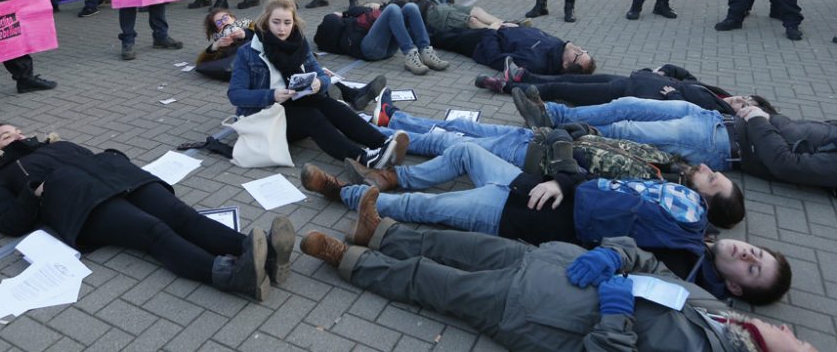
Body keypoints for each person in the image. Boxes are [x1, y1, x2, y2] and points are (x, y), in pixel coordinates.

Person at [302, 151, 787, 304]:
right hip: (545, 187)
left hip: (527, 218)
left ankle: (341, 193)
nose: (748, 256)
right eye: (757, 254)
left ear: (734, 289)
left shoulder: (680, 271)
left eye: (751, 270)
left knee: (429, 209)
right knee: (465, 153)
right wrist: (563, 180)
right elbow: (615, 184)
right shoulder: (695, 216)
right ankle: (387, 176)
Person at [300, 221, 815, 352]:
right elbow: (652, 268)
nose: (794, 331)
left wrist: (616, 317)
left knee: (427, 281)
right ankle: (381, 231)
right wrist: (613, 253)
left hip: (532, 311)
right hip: (555, 264)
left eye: (802, 344)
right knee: (456, 244)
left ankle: (346, 259)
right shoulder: (724, 319)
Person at [0, 123, 294, 301]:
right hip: (83, 203)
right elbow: (6, 222)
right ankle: (231, 275)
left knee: (184, 216)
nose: (19, 135)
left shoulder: (54, 144)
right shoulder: (1, 175)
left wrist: (115, 157)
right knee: (154, 232)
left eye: (18, 130)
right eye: (7, 135)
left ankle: (257, 252)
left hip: (119, 178)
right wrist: (32, 193)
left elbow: (90, 156)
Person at [515, 92, 837, 192]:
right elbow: (795, 132)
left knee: (624, 129)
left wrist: (757, 121)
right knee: (626, 104)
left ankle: (544, 137)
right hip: (716, 120)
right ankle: (551, 114)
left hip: (720, 144)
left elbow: (785, 163)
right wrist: (757, 112)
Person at [227, 0, 406, 166]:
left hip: (289, 107)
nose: (282, 29)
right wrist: (272, 95)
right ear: (266, 21)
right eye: (276, 22)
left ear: (294, 23)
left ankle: (382, 143)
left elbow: (321, 75)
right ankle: (362, 158)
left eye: (287, 22)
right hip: (261, 119)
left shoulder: (299, 44)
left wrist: (319, 83)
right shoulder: (248, 52)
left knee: (329, 105)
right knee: (311, 116)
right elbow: (235, 94)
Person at [483, 60, 740, 113]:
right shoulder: (714, 93)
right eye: (745, 98)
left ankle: (506, 86)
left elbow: (679, 110)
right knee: (572, 79)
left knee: (562, 89)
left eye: (744, 104)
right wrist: (665, 72)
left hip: (624, 94)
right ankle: (525, 75)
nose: (741, 100)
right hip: (629, 79)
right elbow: (682, 74)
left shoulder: (711, 110)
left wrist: (671, 93)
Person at [313, 2, 449, 75]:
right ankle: (410, 54)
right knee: (392, 9)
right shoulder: (338, 23)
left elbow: (358, 10)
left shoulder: (352, 15)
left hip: (386, 48)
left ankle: (425, 51)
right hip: (368, 50)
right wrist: (342, 14)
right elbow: (355, 11)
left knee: (411, 7)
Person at [434, 24, 595, 75]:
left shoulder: (536, 62)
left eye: (579, 54)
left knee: (438, 37)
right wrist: (516, 25)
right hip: (499, 28)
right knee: (448, 21)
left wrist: (490, 33)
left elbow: (495, 59)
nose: (579, 49)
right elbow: (532, 34)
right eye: (584, 51)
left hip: (480, 42)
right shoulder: (559, 46)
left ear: (566, 65)